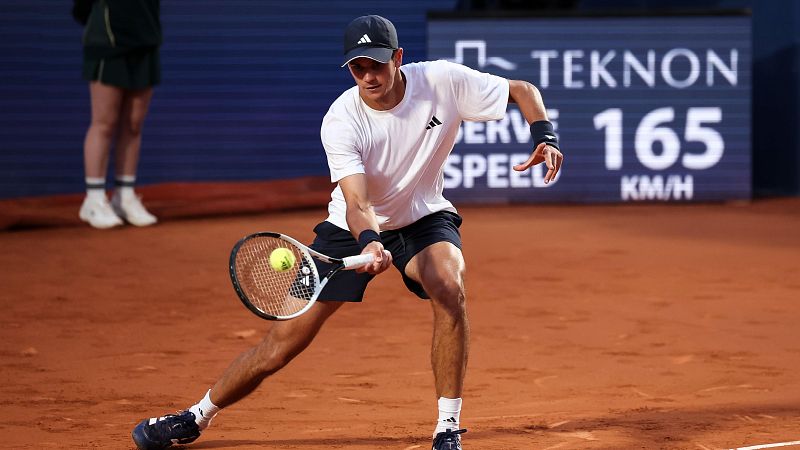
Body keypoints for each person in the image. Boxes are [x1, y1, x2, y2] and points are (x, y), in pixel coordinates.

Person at [131, 14, 563, 450]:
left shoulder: (442, 81)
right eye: (358, 68)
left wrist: (545, 136)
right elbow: (357, 203)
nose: (369, 76)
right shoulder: (342, 120)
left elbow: (522, 90)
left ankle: (447, 427)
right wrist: (370, 242)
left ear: (398, 58)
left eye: (377, 65)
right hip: (349, 230)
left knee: (449, 287)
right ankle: (196, 416)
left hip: (423, 217)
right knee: (281, 345)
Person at [74, 0, 160, 229]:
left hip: (146, 39)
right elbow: (80, 8)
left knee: (134, 124)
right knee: (104, 122)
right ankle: (94, 200)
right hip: (108, 41)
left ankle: (124, 196)